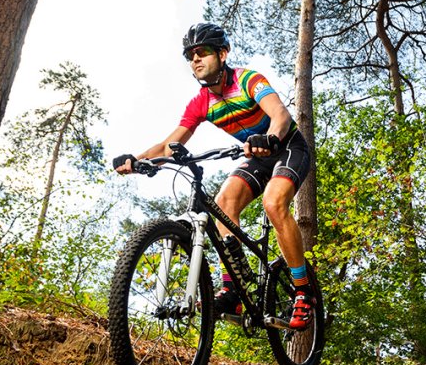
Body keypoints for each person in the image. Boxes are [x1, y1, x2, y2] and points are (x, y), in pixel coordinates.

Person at [113, 23, 314, 330]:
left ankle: (303, 291)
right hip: (254, 155)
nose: (195, 60)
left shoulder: (248, 80)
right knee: (223, 203)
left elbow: (281, 115)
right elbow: (170, 144)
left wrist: (271, 137)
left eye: (202, 52)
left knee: (274, 203)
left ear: (222, 54)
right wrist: (136, 159)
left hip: (286, 146)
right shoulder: (202, 102)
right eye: (190, 55)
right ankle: (233, 287)